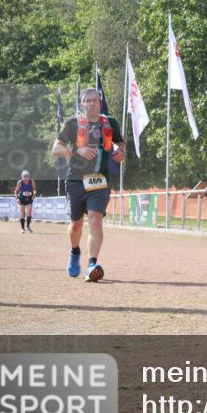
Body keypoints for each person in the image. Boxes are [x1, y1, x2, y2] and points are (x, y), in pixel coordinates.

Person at [52, 88, 125, 282]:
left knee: (95, 218)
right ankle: (75, 252)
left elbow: (120, 144)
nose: (92, 104)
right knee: (76, 225)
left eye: (95, 100)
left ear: (99, 103)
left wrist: (121, 153)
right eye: (88, 101)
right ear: (82, 104)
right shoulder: (72, 123)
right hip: (76, 180)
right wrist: (78, 151)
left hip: (100, 180)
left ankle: (92, 264)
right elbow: (56, 148)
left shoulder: (110, 122)